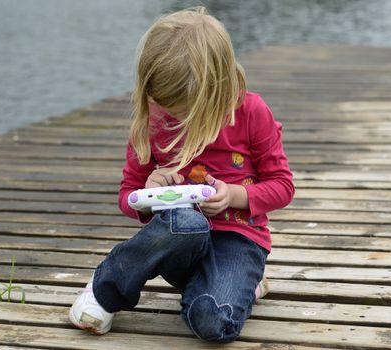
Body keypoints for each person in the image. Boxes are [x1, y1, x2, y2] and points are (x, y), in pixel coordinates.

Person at [68, 6, 294, 343]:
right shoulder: (151, 121)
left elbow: (283, 186)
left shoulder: (251, 112)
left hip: (239, 240)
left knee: (215, 325)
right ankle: (104, 291)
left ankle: (239, 286)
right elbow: (127, 196)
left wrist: (235, 196)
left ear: (217, 88)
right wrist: (147, 193)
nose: (175, 117)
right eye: (167, 106)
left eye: (187, 109)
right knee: (187, 223)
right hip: (180, 239)